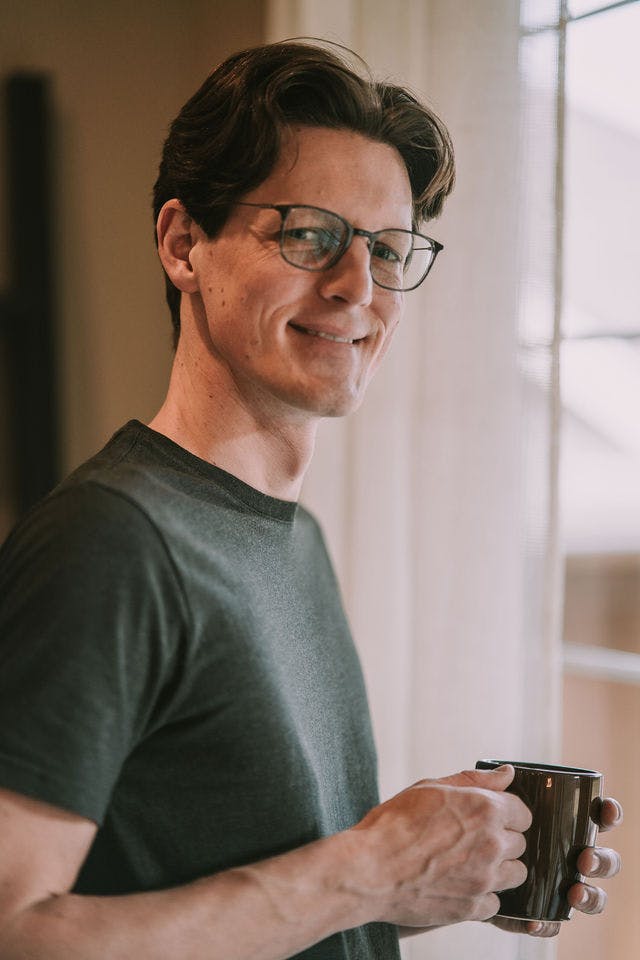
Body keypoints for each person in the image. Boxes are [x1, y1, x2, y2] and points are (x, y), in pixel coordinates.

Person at [0, 40, 622, 960]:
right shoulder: (114, 543)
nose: (356, 288)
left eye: (386, 247)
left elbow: (247, 888)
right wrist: (366, 870)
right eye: (309, 234)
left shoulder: (292, 540)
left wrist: (417, 878)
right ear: (184, 246)